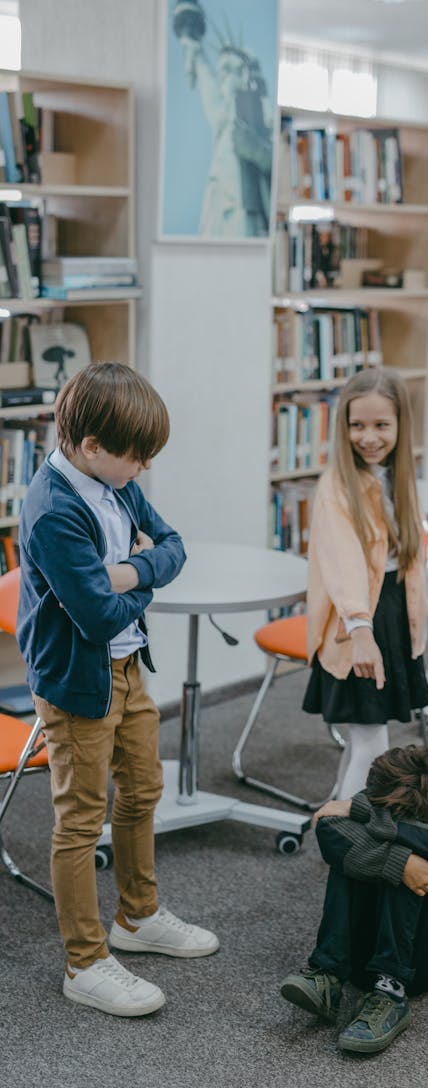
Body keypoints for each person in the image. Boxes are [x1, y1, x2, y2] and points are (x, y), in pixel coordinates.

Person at [17, 362, 219, 1018]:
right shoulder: (53, 508)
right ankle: (85, 959)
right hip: (79, 680)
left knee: (143, 789)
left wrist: (129, 571)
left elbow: (175, 546)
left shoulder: (118, 484)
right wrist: (138, 577)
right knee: (81, 818)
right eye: (137, 456)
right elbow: (98, 615)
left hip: (128, 668)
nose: (145, 469)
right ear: (93, 447)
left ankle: (138, 916)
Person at [280, 743, 428, 1055]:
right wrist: (396, 859)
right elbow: (329, 830)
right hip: (360, 959)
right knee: (363, 856)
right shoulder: (385, 794)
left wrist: (362, 813)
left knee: (410, 861)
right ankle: (328, 974)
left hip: (426, 959)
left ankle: (391, 994)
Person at [302, 366, 428, 798]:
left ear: (400, 426)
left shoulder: (399, 478)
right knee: (374, 744)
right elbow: (344, 565)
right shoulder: (337, 486)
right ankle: (350, 838)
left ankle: (338, 820)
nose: (368, 437)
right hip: (356, 621)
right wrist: (360, 630)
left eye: (381, 425)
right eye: (357, 425)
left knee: (365, 735)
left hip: (392, 614)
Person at [173, 0, 273, 238]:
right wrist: (196, 56)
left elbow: (272, 157)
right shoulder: (224, 115)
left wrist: (253, 147)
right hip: (220, 199)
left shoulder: (258, 111)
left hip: (246, 202)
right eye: (222, 72)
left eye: (230, 70)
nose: (224, 79)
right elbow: (213, 101)